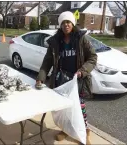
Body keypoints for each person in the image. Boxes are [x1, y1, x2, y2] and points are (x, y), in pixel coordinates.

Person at [35, 11, 97, 144]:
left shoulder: (81, 39)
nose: (66, 25)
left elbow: (92, 57)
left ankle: (84, 132)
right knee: (64, 108)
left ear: (73, 23)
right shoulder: (56, 41)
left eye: (68, 22)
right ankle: (66, 129)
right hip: (61, 80)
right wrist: (41, 77)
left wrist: (82, 71)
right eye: (63, 23)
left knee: (79, 108)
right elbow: (48, 61)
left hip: (77, 80)